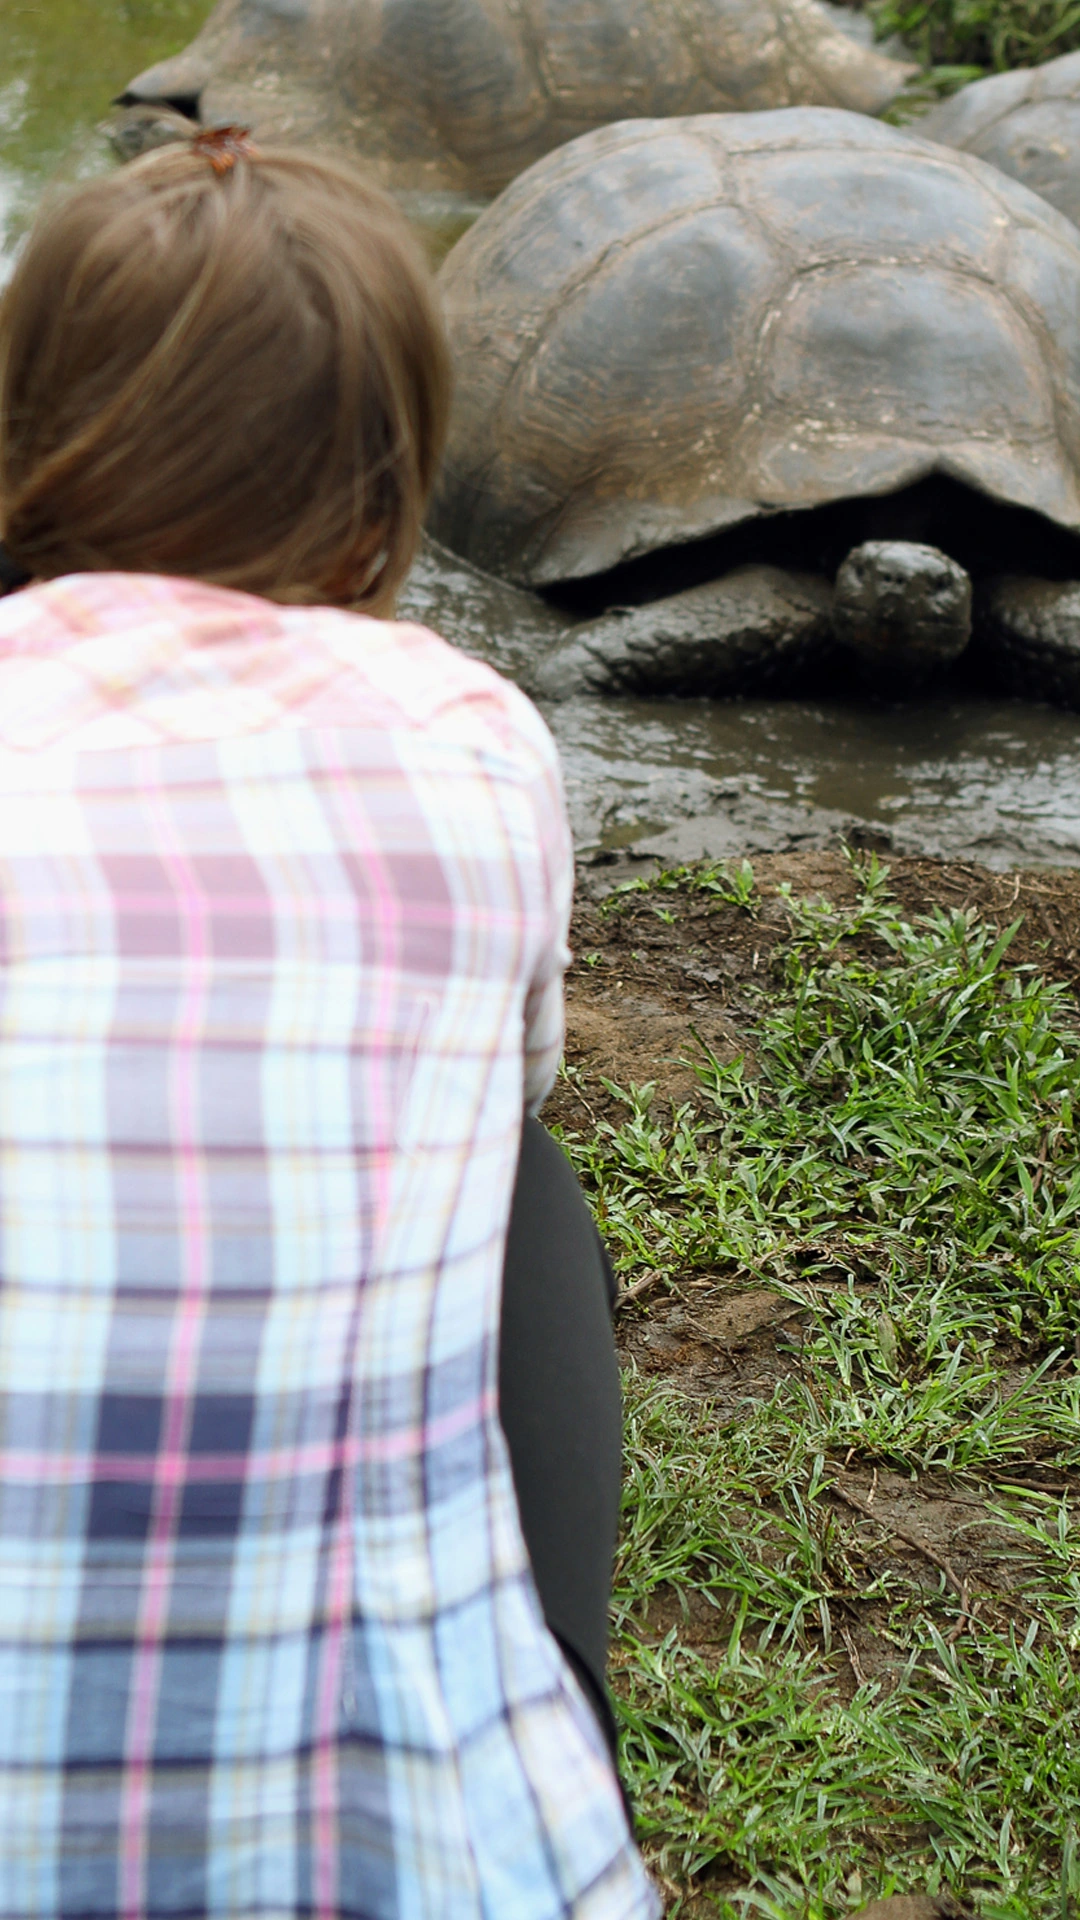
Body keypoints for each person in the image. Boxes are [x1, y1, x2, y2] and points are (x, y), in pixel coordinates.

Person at [0, 131, 657, 1920]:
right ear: (394, 478)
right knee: (524, 1190)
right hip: (376, 1857)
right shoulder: (475, 731)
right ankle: (534, 1740)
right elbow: (510, 1084)